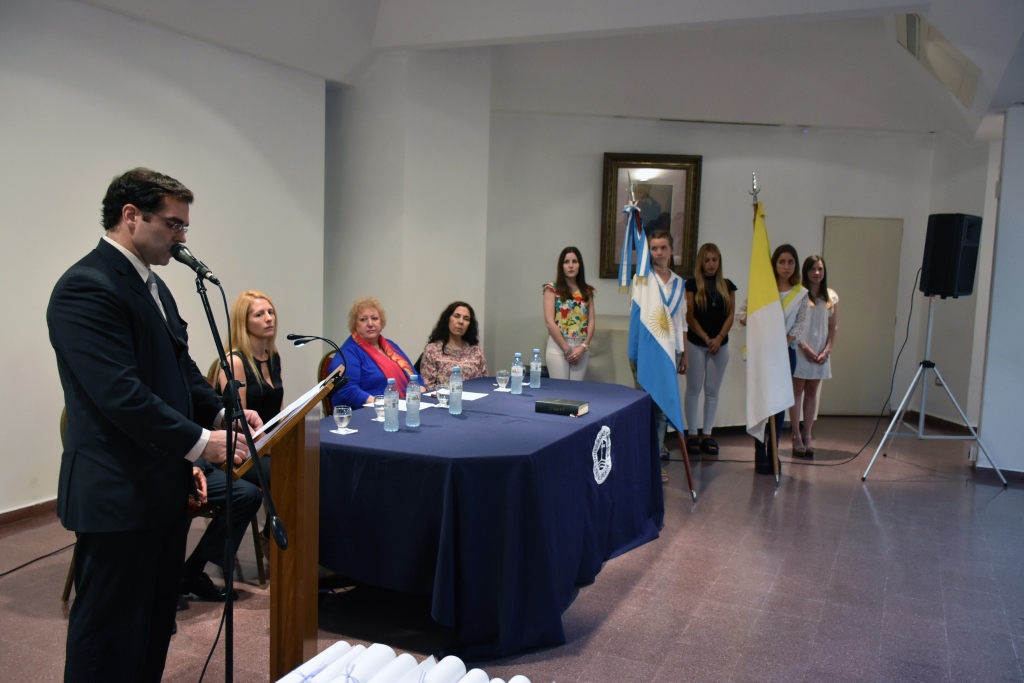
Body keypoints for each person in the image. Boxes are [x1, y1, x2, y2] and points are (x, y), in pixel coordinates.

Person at [47, 168, 258, 682]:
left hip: (162, 486)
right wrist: (200, 443)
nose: (182, 237)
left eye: (185, 226)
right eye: (174, 224)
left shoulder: (154, 286)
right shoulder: (86, 286)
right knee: (109, 636)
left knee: (152, 626)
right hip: (117, 493)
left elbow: (180, 369)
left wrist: (220, 412)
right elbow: (121, 394)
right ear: (131, 216)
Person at [740, 244, 808, 471]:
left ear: (796, 265)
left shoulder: (800, 294)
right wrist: (751, 319)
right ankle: (759, 448)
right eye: (781, 262)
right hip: (762, 352)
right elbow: (743, 314)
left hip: (785, 353)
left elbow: (800, 326)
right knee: (760, 398)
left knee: (779, 403)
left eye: (790, 262)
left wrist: (782, 343)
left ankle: (773, 449)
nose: (786, 267)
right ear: (774, 264)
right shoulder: (763, 289)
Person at [629, 230, 688, 466]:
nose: (659, 252)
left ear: (671, 250)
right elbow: (636, 316)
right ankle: (642, 455)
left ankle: (655, 458)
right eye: (654, 248)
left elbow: (682, 322)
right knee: (645, 404)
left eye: (664, 248)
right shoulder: (642, 279)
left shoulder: (679, 283)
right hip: (647, 351)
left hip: (670, 351)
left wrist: (684, 354)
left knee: (662, 405)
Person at [683, 243, 736, 457]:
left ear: (719, 261)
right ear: (701, 262)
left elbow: (731, 315)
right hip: (696, 342)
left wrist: (719, 337)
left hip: (720, 345)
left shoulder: (728, 285)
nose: (711, 264)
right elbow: (689, 315)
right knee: (693, 389)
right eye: (707, 260)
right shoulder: (692, 284)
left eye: (714, 260)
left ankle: (707, 434)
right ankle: (692, 434)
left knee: (712, 391)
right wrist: (706, 337)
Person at [328, 297, 423, 407]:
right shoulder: (348, 353)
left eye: (374, 318)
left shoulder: (391, 346)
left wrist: (421, 393)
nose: (370, 324)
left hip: (405, 407)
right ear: (354, 324)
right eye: (363, 319)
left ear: (381, 322)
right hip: (373, 412)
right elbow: (348, 391)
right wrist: (384, 404)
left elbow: (414, 375)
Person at [792, 256, 839, 456]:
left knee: (812, 392)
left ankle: (807, 434)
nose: (817, 273)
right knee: (797, 390)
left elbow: (833, 326)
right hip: (801, 348)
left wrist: (827, 350)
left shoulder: (831, 297)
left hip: (821, 351)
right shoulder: (799, 294)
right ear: (805, 271)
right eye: (812, 269)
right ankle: (795, 435)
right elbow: (794, 325)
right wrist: (804, 347)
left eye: (820, 269)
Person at [543, 246, 596, 380]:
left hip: (580, 348)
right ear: (561, 266)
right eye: (566, 262)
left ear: (580, 265)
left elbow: (591, 321)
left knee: (575, 390)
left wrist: (583, 346)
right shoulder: (552, 289)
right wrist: (567, 349)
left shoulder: (587, 291)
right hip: (558, 346)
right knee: (560, 389)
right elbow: (549, 322)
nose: (570, 266)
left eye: (574, 261)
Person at [420, 301, 488, 390]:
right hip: (444, 397)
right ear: (447, 319)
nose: (461, 322)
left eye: (466, 319)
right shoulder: (432, 350)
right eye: (456, 316)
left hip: (476, 396)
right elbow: (428, 386)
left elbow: (484, 382)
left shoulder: (476, 350)